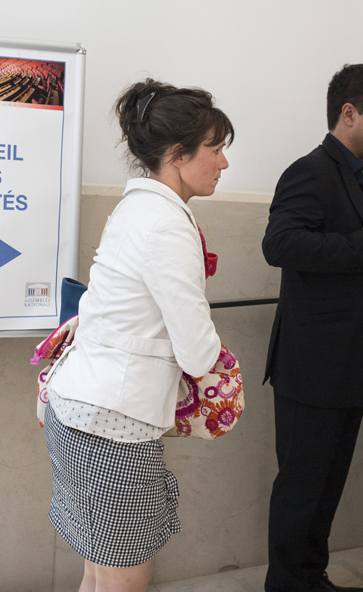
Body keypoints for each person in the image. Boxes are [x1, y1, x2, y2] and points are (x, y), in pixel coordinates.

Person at [43, 79, 234, 592]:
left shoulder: (136, 208)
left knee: (98, 574)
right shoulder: (167, 225)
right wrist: (215, 355)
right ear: (177, 154)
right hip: (112, 426)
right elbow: (198, 353)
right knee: (122, 580)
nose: (223, 163)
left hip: (79, 408)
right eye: (215, 150)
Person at [262, 64, 363, 592]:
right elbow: (279, 245)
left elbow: (362, 248)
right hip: (314, 365)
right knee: (302, 488)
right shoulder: (311, 171)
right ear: (348, 114)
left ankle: (310, 580)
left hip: (350, 363)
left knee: (326, 489)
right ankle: (286, 585)